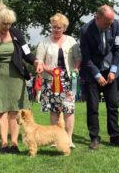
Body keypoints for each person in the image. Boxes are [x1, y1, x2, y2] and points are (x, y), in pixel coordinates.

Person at [0, 0, 43, 155]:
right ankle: (4, 144)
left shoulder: (16, 34)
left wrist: (36, 62)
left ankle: (14, 143)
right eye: (4, 24)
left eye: (9, 24)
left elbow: (26, 53)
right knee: (2, 111)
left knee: (15, 111)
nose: (7, 27)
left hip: (16, 76)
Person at [79, 5, 119, 150]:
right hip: (91, 73)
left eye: (111, 23)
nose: (109, 27)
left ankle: (115, 137)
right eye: (106, 24)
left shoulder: (114, 24)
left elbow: (118, 49)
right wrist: (96, 75)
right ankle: (94, 138)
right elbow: (86, 57)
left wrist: (113, 70)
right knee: (93, 108)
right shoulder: (85, 30)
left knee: (113, 105)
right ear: (97, 18)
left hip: (109, 72)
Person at [36, 13, 81, 149]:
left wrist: (77, 70)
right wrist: (48, 70)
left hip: (68, 80)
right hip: (51, 80)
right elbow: (39, 61)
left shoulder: (72, 41)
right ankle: (55, 140)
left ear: (64, 28)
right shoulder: (44, 42)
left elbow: (78, 58)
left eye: (59, 27)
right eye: (53, 27)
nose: (55, 30)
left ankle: (69, 139)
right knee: (54, 110)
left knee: (69, 110)